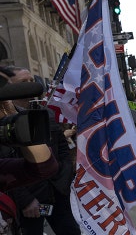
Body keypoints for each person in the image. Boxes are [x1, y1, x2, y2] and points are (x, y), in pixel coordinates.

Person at [3, 66, 80, 235]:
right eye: (23, 82)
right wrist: (26, 200)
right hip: (29, 201)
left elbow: (61, 148)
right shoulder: (5, 122)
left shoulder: (45, 113)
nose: (30, 85)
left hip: (57, 192)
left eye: (31, 81)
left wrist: (64, 178)